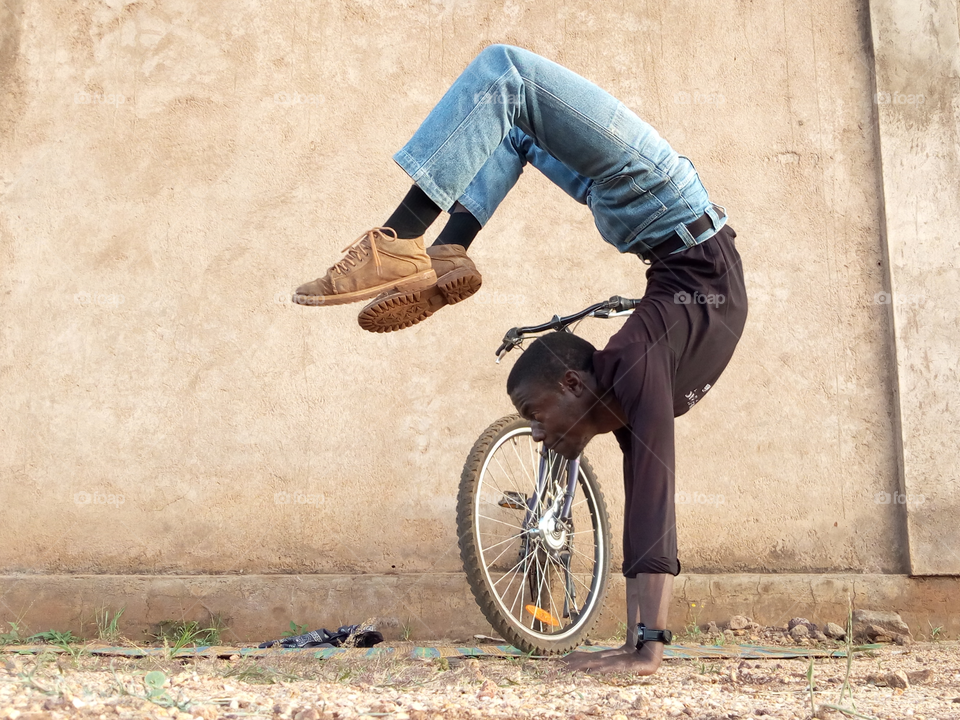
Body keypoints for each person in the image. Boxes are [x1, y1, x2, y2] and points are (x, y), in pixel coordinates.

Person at [294, 44, 748, 675]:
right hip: (656, 210)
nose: (535, 431)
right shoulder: (631, 376)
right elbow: (651, 488)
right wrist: (641, 644)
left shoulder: (634, 367)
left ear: (571, 384)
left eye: (533, 415)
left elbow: (652, 493)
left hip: (658, 206)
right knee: (508, 115)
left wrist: (646, 647)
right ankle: (448, 251)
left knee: (505, 75)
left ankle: (401, 238)